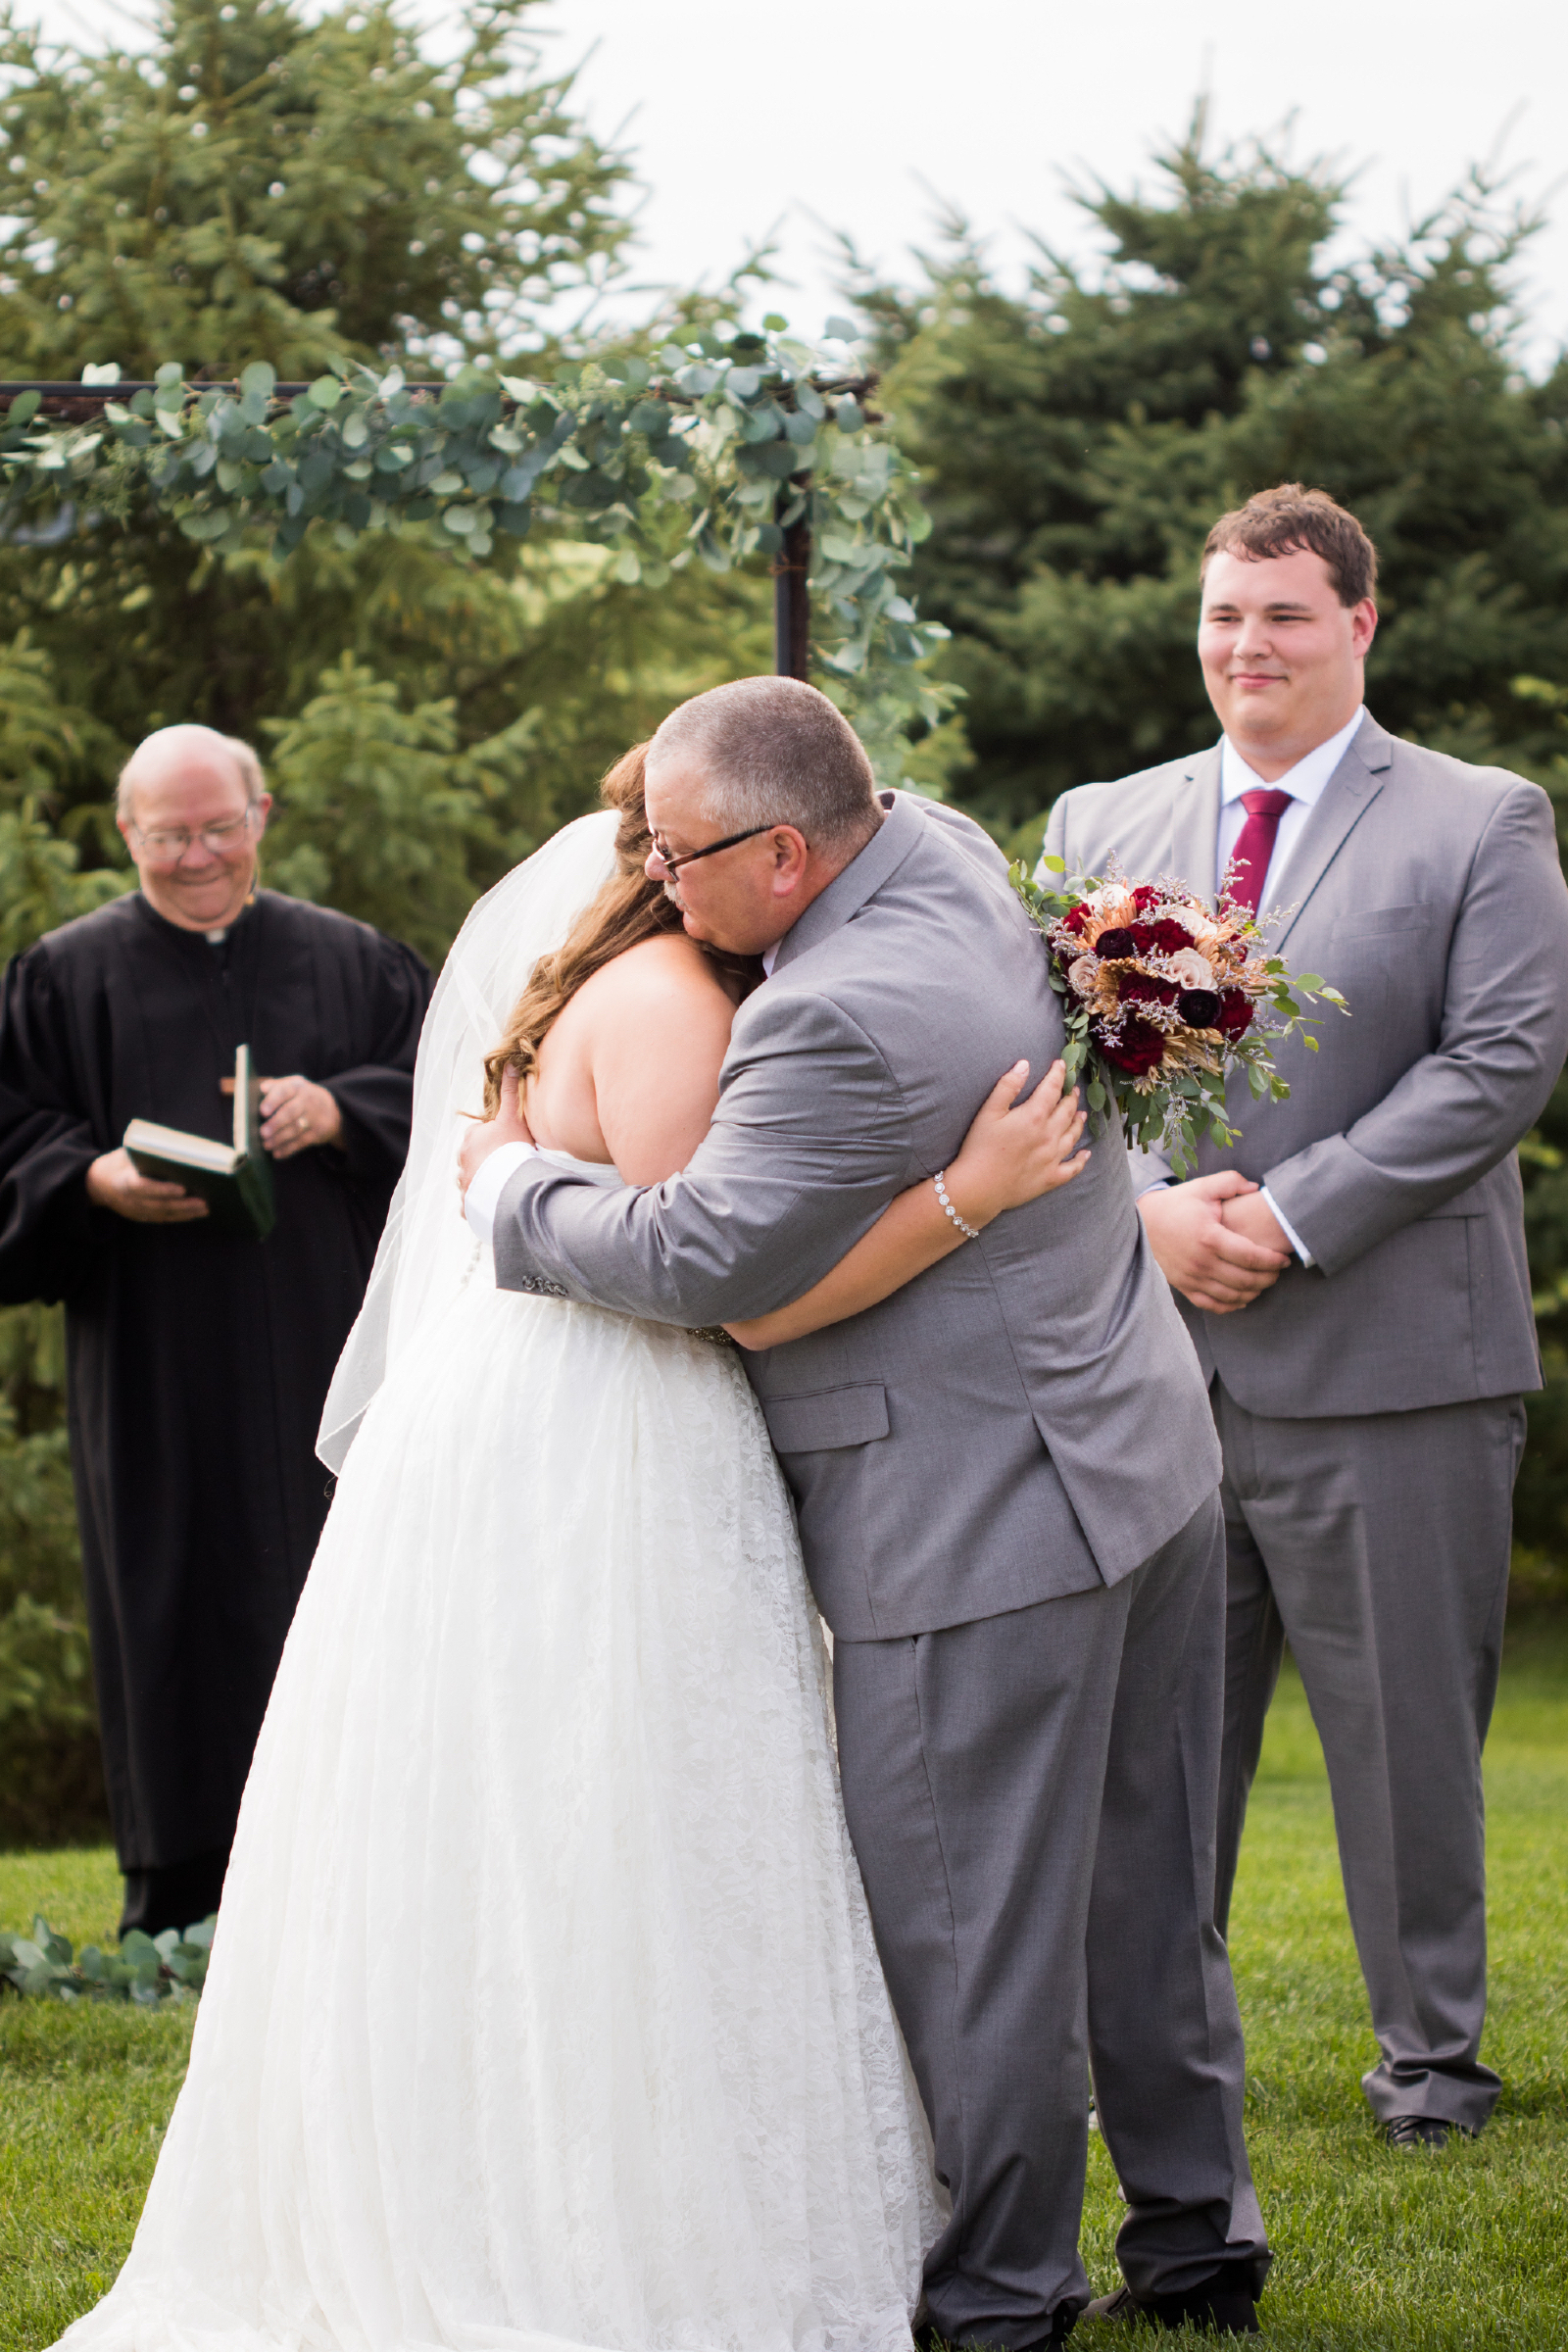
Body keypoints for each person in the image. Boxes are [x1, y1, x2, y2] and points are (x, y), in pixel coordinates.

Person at [51, 742, 1092, 2352]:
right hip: (609, 1423)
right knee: (627, 1801)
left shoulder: (601, 982)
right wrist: (968, 1190)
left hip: (505, 1417)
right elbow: (720, 1284)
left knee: (534, 1798)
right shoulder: (679, 998)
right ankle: (607, 2206)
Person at [466, 680, 1273, 2342]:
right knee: (1148, 1891)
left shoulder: (827, 1013)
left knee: (975, 1940)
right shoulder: (954, 854)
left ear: (783, 848)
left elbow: (705, 1259)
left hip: (979, 1518)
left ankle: (1000, 2298)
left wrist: (513, 1188)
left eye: (680, 857)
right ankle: (1196, 2245)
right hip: (1143, 1452)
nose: (655, 878)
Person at [1043, 482, 1568, 2149]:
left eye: (1282, 613)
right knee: (1163, 1755)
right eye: (1222, 614)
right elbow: (1044, 1075)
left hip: (1393, 1365)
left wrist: (1289, 1213)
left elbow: (1500, 1065)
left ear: (1359, 622)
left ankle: (1435, 2071)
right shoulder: (1102, 822)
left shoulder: (1483, 819)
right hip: (1162, 1368)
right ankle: (1170, 2073)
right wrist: (1140, 1222)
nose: (1245, 645)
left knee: (1407, 1744)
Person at [0, 723, 430, 1938]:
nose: (195, 855)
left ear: (264, 816)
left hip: (322, 1348)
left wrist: (340, 1109)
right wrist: (91, 1183)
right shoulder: (59, 980)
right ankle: (178, 1894)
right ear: (125, 832)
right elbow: (11, 1136)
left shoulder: (358, 966)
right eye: (167, 833)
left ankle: (357, 1881)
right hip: (152, 1362)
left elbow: (463, 1096)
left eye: (218, 827)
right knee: (167, 1586)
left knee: (333, 1592)